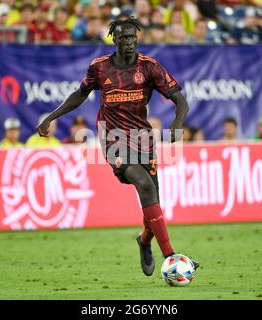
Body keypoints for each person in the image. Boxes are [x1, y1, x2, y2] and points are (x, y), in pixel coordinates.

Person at [37, 17, 198, 277]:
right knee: (144, 185)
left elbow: (180, 99)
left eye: (133, 37)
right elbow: (80, 94)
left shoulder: (150, 67)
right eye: (123, 38)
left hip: (143, 139)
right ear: (114, 39)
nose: (129, 42)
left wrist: (177, 123)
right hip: (113, 139)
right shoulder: (99, 68)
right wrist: (51, 117)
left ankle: (145, 241)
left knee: (153, 201)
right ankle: (171, 256)